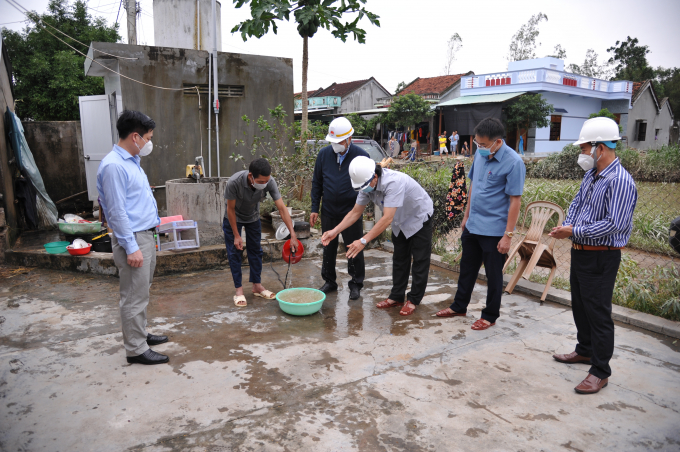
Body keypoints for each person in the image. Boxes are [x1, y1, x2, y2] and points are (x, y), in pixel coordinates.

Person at [549, 117, 637, 395]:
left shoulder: (620, 181)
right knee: (581, 306)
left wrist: (575, 230)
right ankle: (584, 351)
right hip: (581, 252)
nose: (583, 153)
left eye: (586, 148)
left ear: (601, 147)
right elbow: (577, 203)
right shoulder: (591, 175)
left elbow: (615, 224)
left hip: (602, 255)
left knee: (598, 313)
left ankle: (600, 371)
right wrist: (569, 226)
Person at [435, 118, 525, 330]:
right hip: (473, 225)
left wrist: (508, 235)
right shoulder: (480, 156)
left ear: (497, 142)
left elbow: (515, 201)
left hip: (494, 231)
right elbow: (473, 186)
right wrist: (466, 216)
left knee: (493, 276)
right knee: (467, 269)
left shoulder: (514, 163)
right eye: (477, 144)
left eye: (483, 145)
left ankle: (490, 315)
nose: (480, 148)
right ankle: (459, 306)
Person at [97, 110, 169, 365]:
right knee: (133, 294)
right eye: (148, 138)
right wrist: (130, 247)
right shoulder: (114, 166)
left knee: (141, 291)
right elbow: (115, 212)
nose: (150, 143)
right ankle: (136, 349)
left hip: (144, 235)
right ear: (135, 136)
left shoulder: (130, 161)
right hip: (134, 239)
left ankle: (140, 334)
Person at [322, 156, 434, 316]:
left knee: (420, 261)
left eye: (365, 186)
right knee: (400, 259)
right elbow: (355, 212)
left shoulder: (393, 182)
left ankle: (414, 299)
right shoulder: (366, 185)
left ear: (375, 176)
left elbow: (387, 218)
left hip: (418, 217)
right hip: (400, 221)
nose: (364, 190)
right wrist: (334, 231)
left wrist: (363, 240)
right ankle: (396, 296)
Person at [224, 158, 299, 307]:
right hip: (233, 218)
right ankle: (239, 291)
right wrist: (237, 235)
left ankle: (257, 286)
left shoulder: (269, 181)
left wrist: (293, 234)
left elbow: (282, 209)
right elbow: (230, 209)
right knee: (234, 252)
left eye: (267, 180)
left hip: (253, 217)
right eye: (261, 181)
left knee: (256, 251)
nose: (264, 183)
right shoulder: (234, 182)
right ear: (251, 176)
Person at [310, 117, 370, 299]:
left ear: (349, 139)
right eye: (333, 141)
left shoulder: (361, 156)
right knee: (328, 247)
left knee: (353, 248)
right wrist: (314, 207)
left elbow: (366, 185)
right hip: (328, 211)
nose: (335, 145)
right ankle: (329, 280)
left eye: (339, 141)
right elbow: (317, 182)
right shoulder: (323, 155)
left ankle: (356, 283)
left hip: (351, 212)